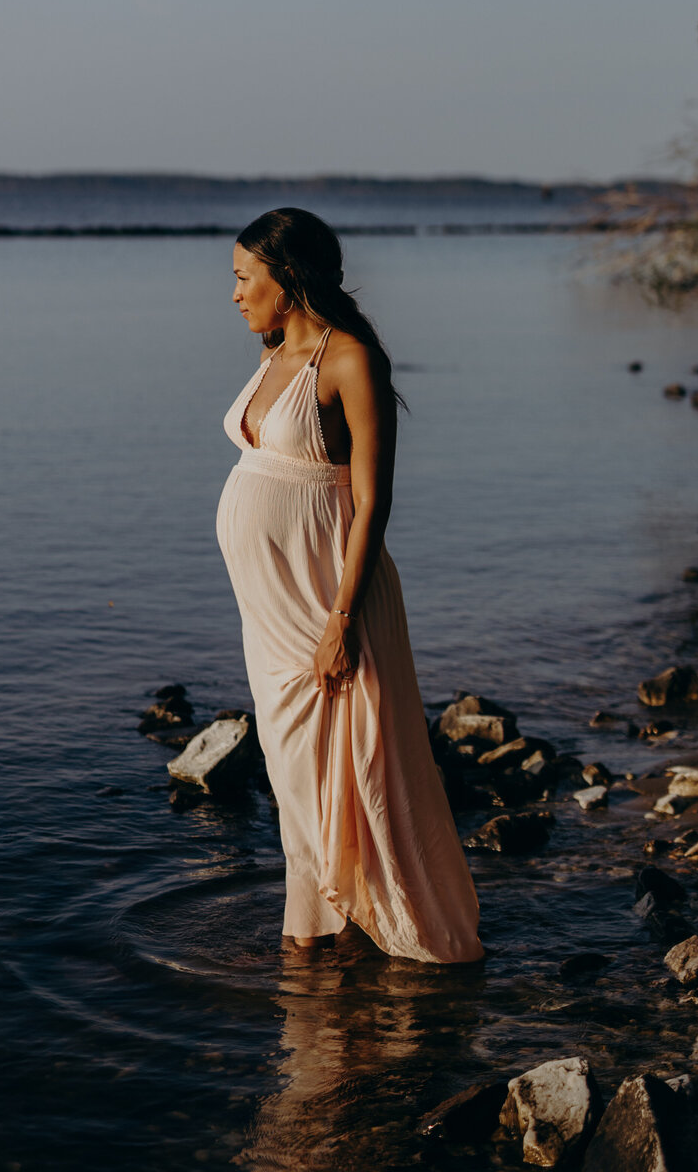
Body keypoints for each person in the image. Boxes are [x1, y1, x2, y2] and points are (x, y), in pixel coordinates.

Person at [216, 207, 483, 963]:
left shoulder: (351, 360)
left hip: (327, 601)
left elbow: (372, 502)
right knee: (294, 779)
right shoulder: (272, 353)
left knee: (344, 774)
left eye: (244, 278)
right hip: (268, 614)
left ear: (287, 277)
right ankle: (318, 934)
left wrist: (342, 619)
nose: (234, 294)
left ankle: (367, 937)